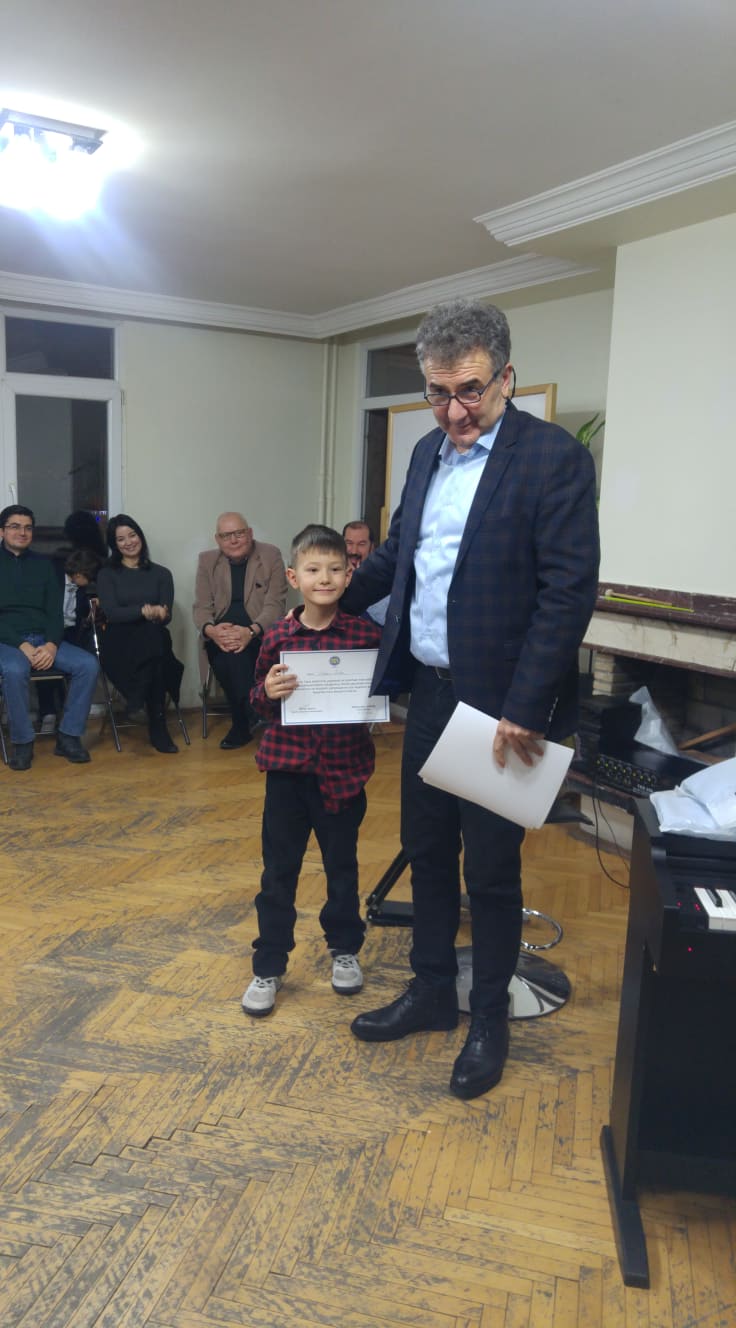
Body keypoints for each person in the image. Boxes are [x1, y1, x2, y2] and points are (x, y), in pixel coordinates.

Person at [342, 299, 600, 1100]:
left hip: (501, 709)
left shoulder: (552, 458)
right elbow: (398, 554)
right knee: (425, 851)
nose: (454, 411)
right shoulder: (425, 453)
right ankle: (429, 992)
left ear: (506, 378)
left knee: (489, 871)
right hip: (429, 692)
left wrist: (525, 705)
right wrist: (323, 603)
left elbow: (567, 593)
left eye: (471, 391)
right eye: (438, 392)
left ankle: (488, 1015)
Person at [242, 524, 382, 1017]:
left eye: (335, 569)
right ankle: (269, 964)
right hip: (287, 776)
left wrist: (377, 703)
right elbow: (257, 699)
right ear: (294, 577)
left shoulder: (367, 636)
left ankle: (344, 949)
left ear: (349, 575)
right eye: (314, 569)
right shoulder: (279, 636)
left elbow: (383, 691)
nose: (325, 578)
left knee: (342, 869)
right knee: (278, 874)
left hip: (344, 774)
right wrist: (267, 693)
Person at [0, 504, 99, 770]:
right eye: (15, 526)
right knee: (14, 669)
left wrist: (52, 645)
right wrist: (21, 645)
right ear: (1, 531)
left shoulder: (44, 565)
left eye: (27, 527)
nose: (22, 532)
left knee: (88, 665)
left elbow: (55, 613)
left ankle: (68, 736)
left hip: (44, 638)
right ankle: (22, 742)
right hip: (7, 642)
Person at [193, 512, 287, 748]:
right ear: (217, 539)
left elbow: (275, 605)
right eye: (226, 536)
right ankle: (251, 712)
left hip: (260, 633)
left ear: (250, 533)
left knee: (236, 657)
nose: (233, 540)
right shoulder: (207, 561)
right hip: (220, 636)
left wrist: (250, 631)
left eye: (239, 533)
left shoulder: (271, 555)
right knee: (228, 655)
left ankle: (241, 723)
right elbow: (201, 606)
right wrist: (212, 631)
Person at [96, 514, 184, 754]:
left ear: (140, 536)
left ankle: (138, 698)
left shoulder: (162, 574)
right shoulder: (107, 574)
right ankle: (158, 724)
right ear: (114, 544)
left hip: (153, 639)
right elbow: (112, 613)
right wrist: (143, 611)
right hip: (119, 642)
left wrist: (160, 613)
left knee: (154, 638)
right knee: (157, 651)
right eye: (121, 539)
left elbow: (166, 615)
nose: (128, 542)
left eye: (132, 535)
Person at [342, 521, 389, 626]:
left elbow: (388, 621)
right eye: (349, 543)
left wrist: (359, 580)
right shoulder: (331, 577)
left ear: (372, 547)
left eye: (361, 544)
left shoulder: (383, 579)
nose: (354, 551)